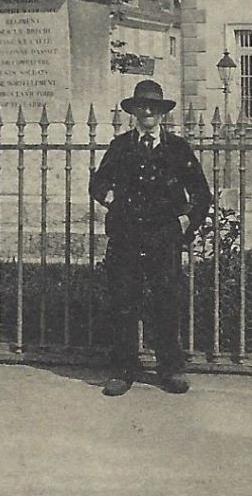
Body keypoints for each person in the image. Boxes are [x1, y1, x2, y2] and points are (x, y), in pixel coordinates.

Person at [89, 80, 214, 396]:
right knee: (123, 302)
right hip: (126, 235)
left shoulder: (177, 148)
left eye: (153, 107)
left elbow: (201, 194)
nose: (147, 111)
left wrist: (184, 221)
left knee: (166, 302)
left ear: (161, 113)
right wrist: (112, 201)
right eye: (142, 106)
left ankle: (170, 369)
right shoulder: (120, 147)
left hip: (163, 236)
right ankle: (122, 371)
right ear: (132, 111)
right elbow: (98, 184)